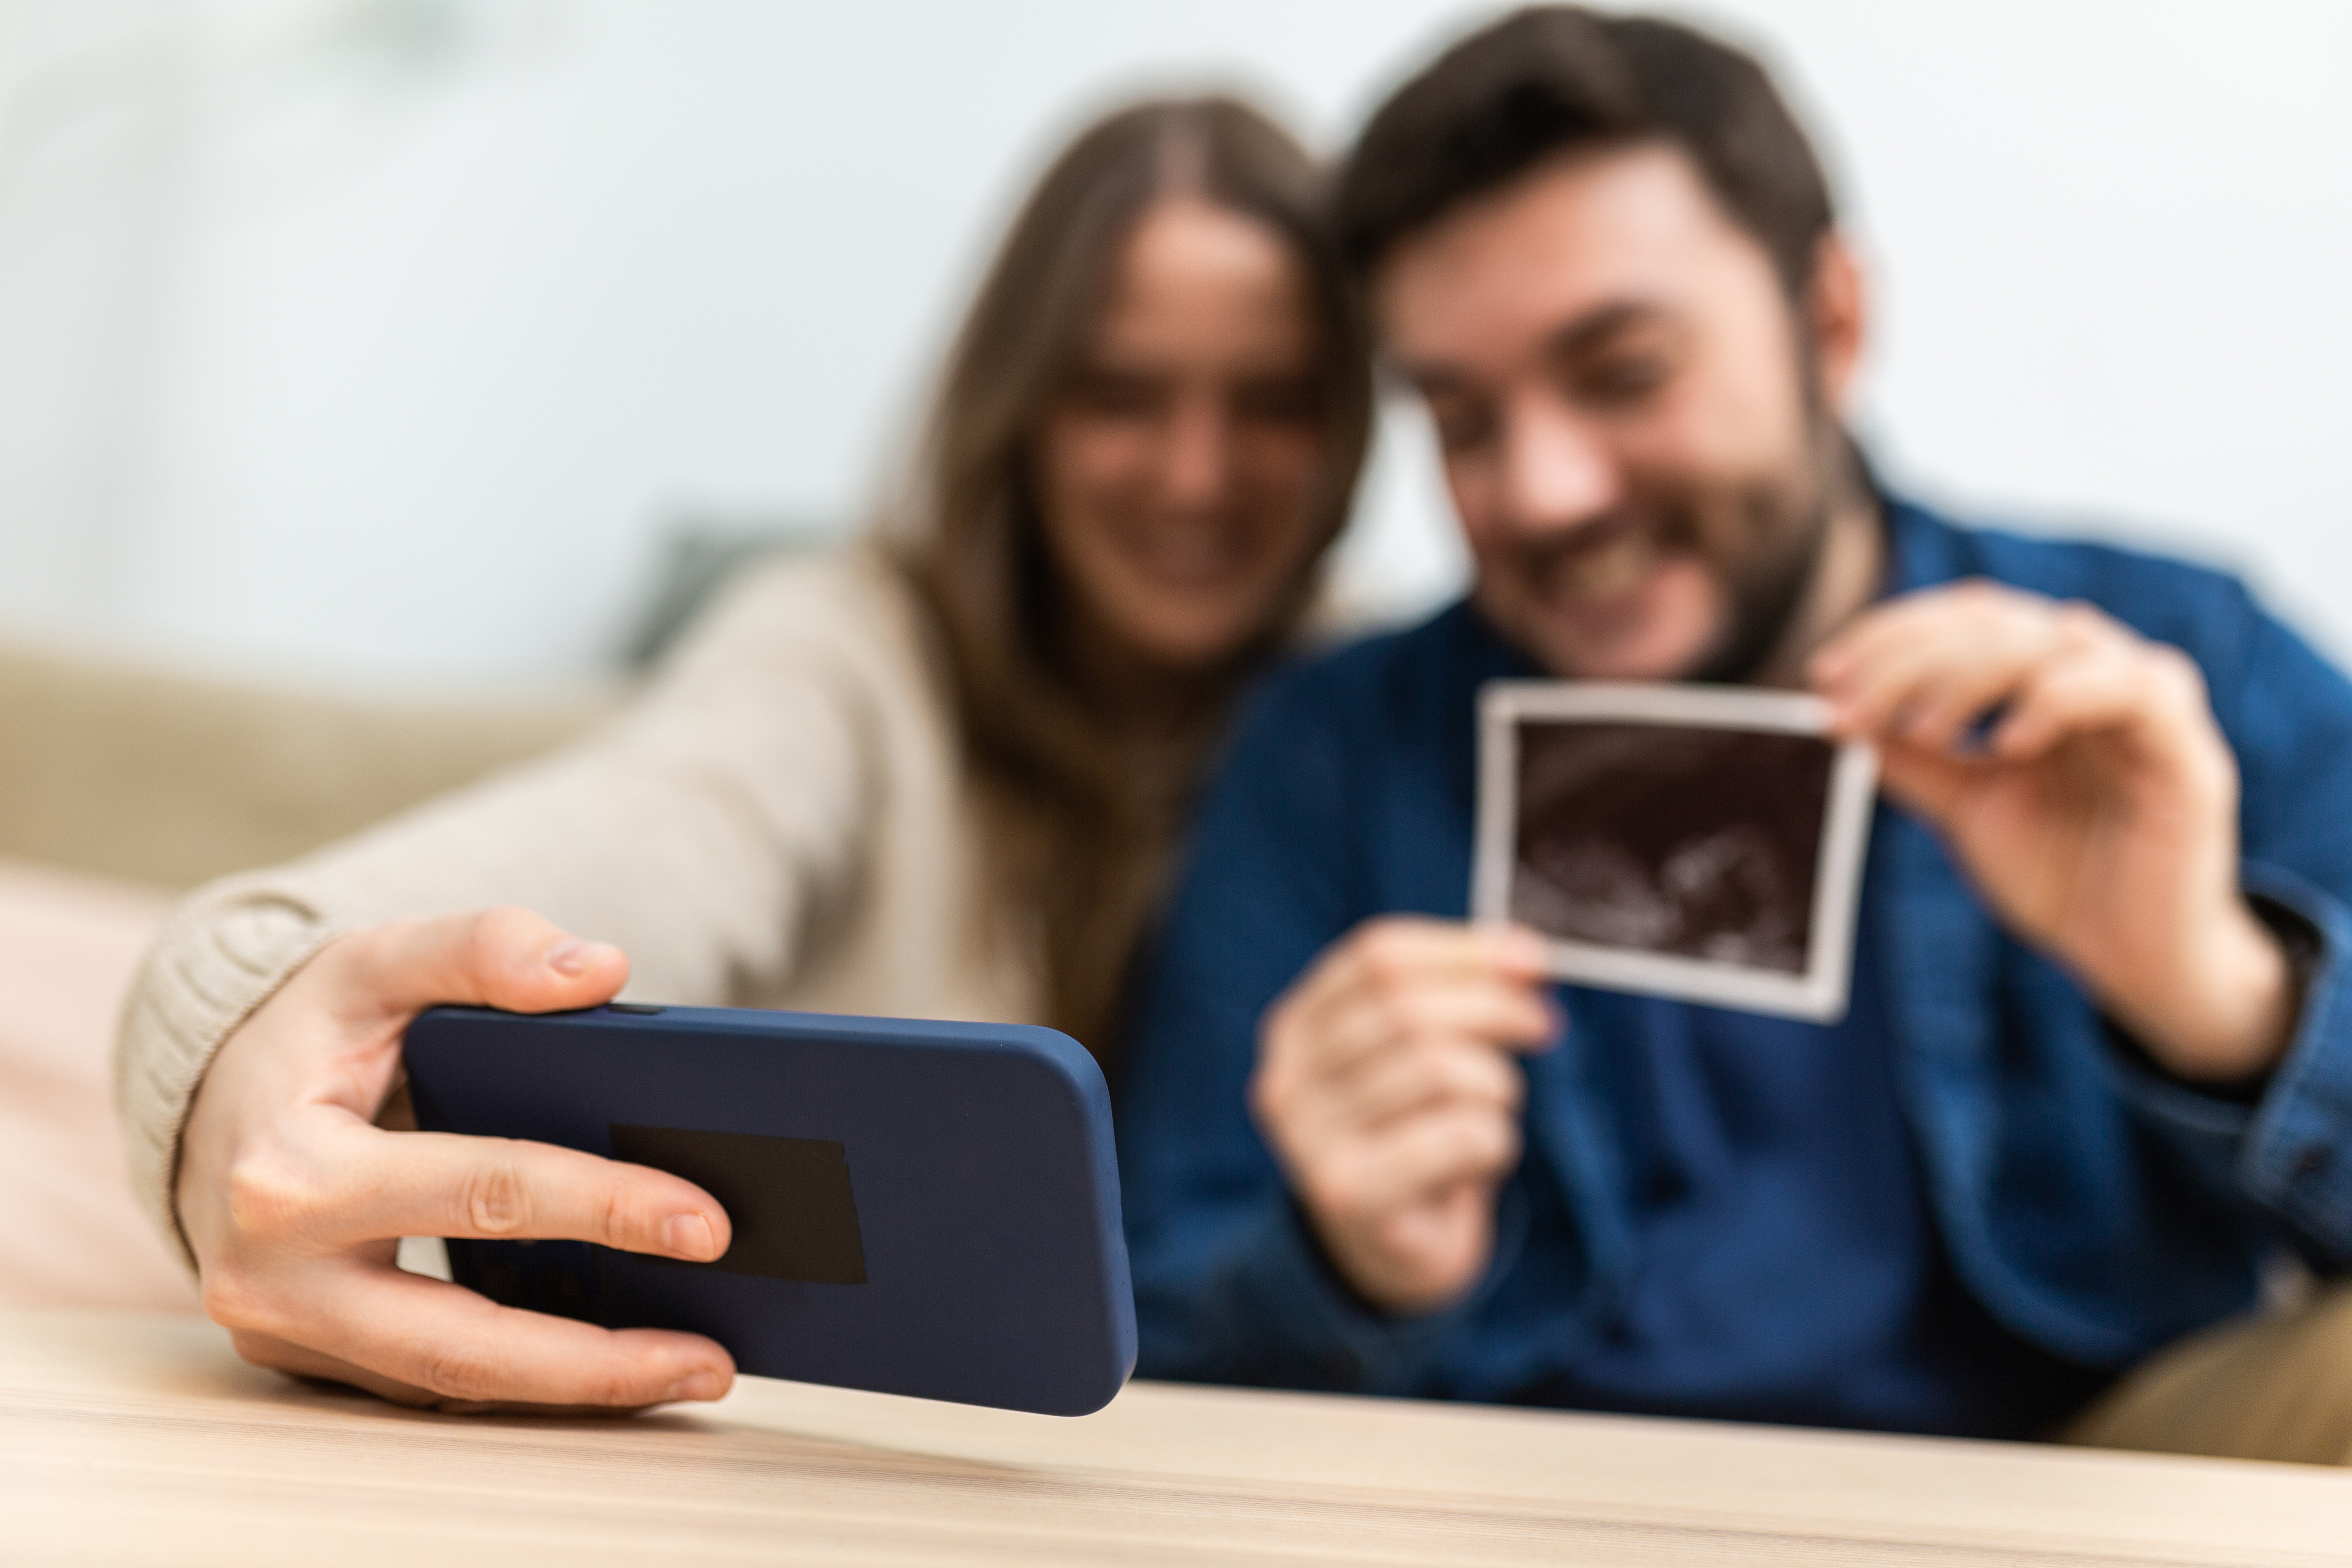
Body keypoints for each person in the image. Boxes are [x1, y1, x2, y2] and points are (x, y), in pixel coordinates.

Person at [1115, 7, 2352, 1463]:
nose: (1546, 490)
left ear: (1831, 322)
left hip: (2087, 1474)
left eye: (1625, 372)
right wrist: (1342, 1259)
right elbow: (1146, 1325)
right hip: (1505, 1497)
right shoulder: (1327, 754)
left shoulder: (2173, 667)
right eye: (1461, 419)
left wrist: (2227, 999)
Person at [115, 95, 1371, 1413]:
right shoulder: (851, 651)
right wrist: (250, 1030)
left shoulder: (1388, 711)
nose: (1195, 474)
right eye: (1122, 393)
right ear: (1022, 404)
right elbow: (665, 823)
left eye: (1273, 401)